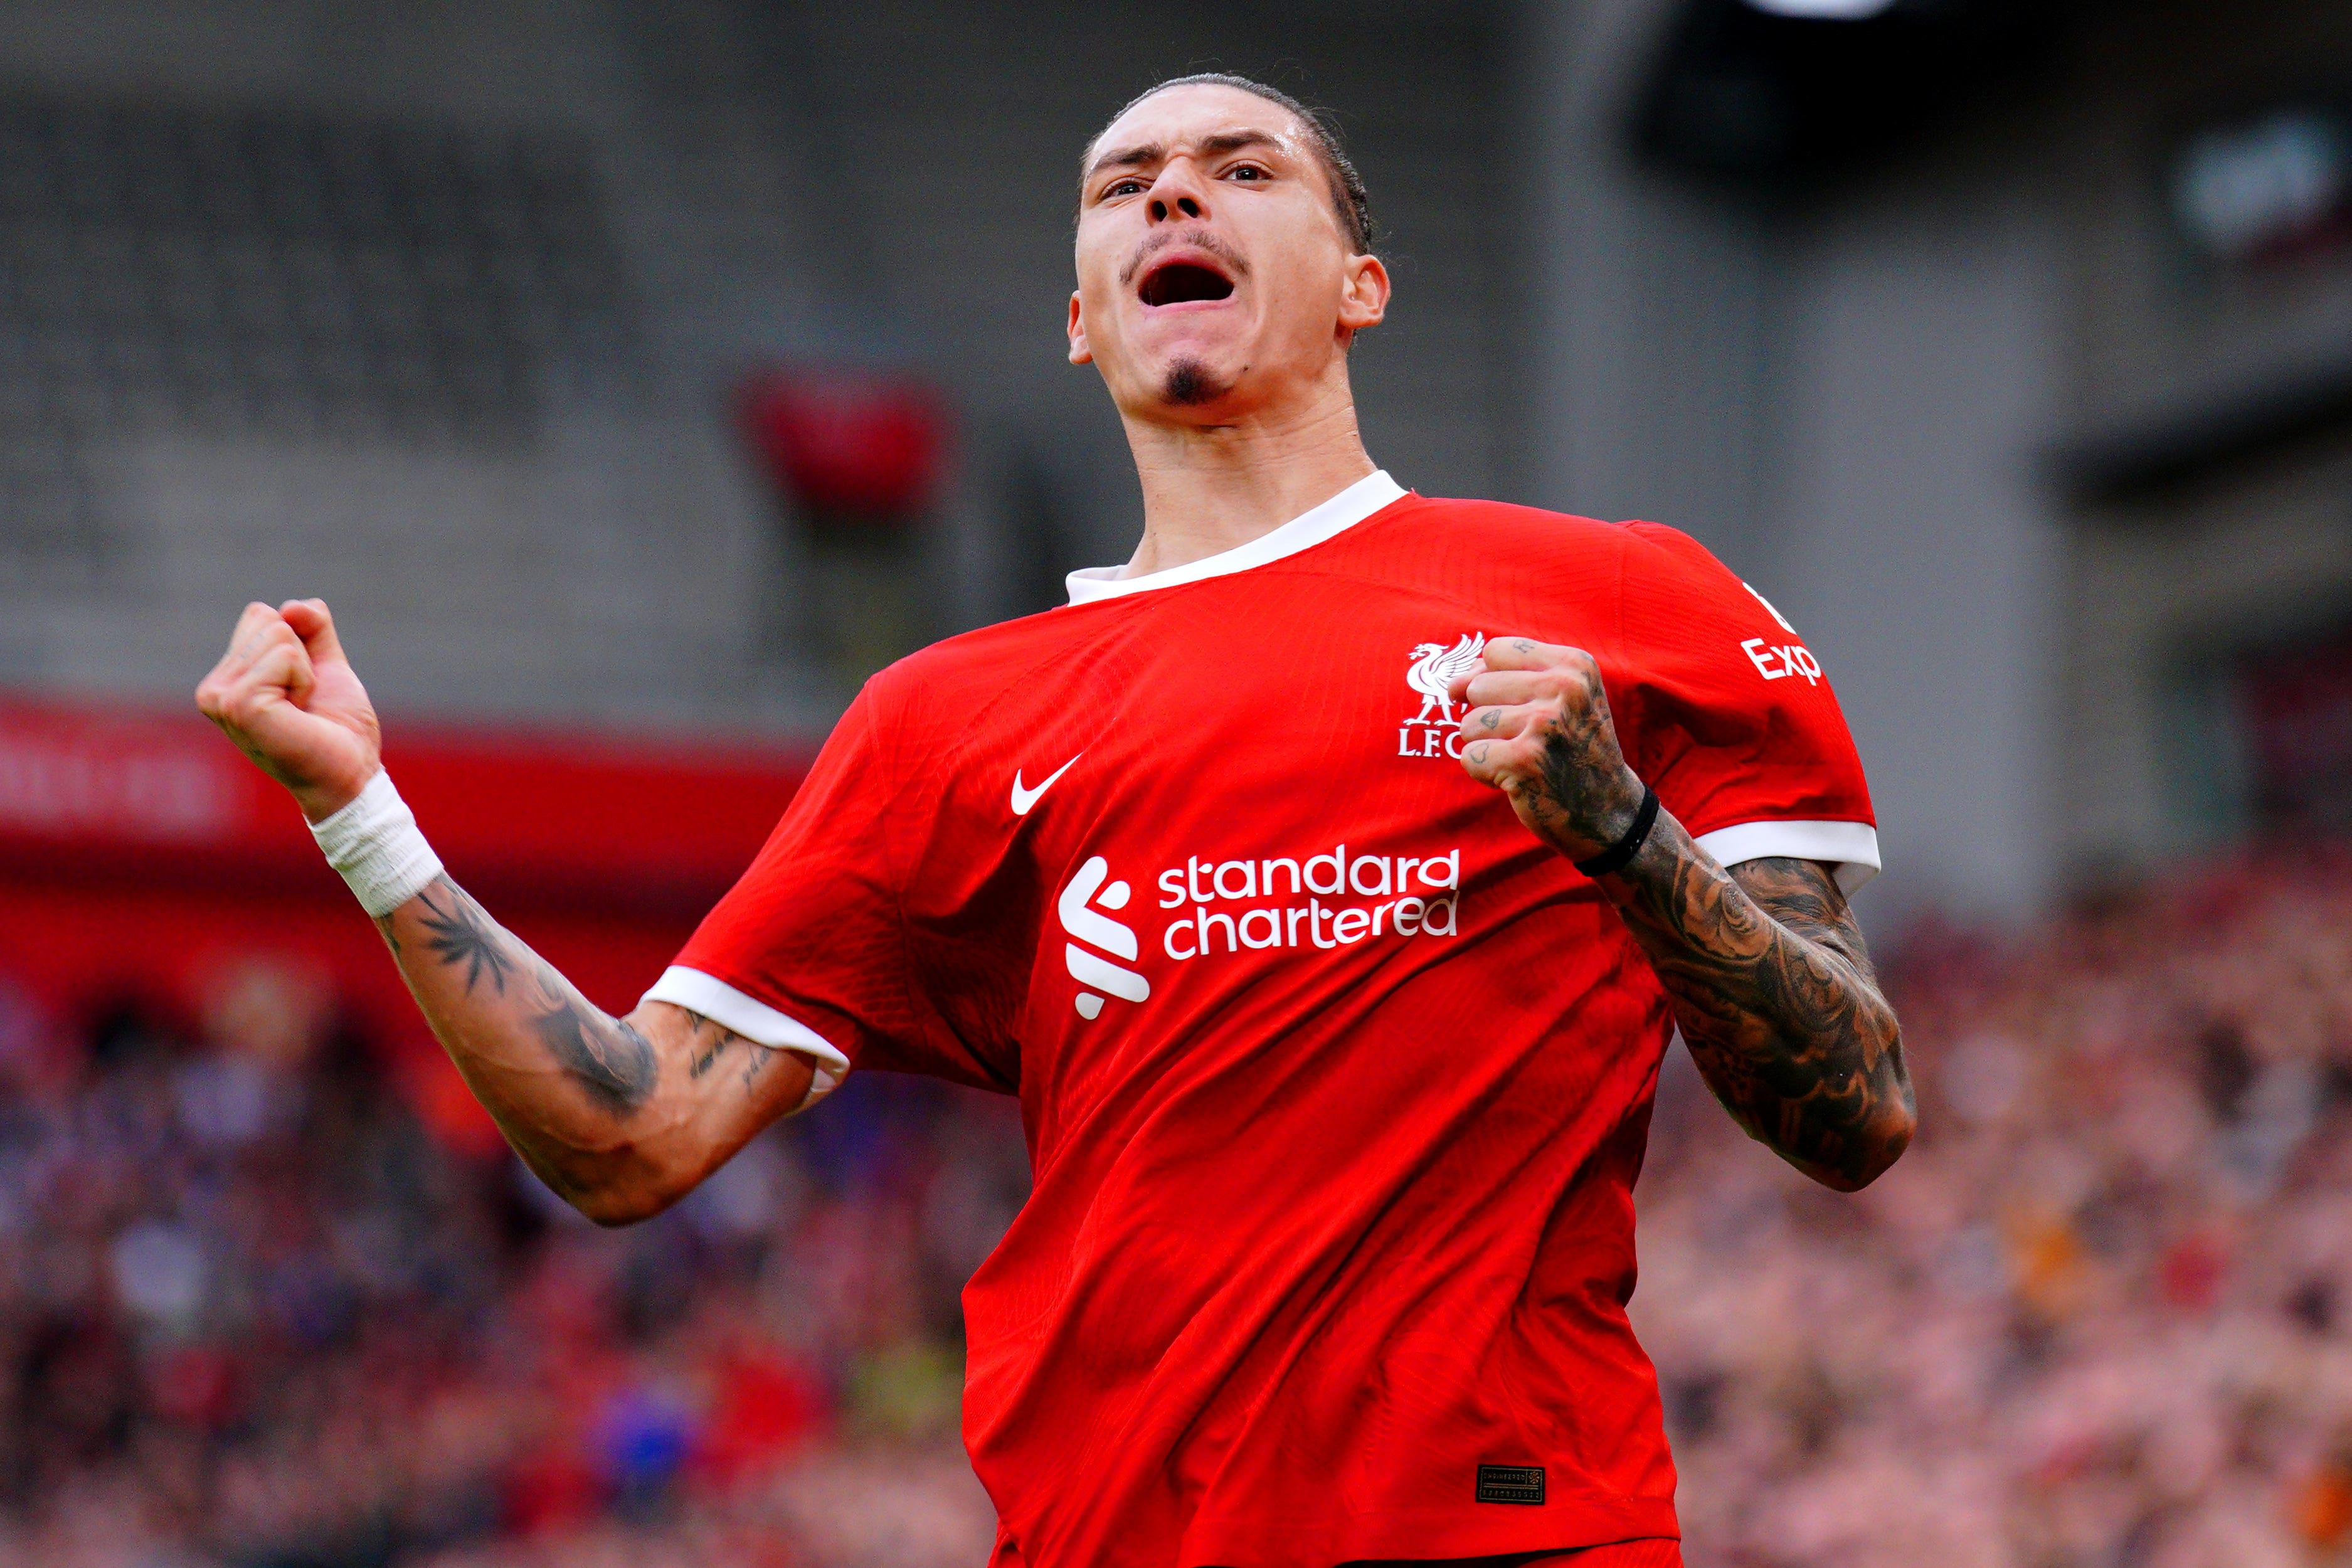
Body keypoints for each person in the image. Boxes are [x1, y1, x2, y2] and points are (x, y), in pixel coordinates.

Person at [196, 73, 1913, 1568]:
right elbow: (627, 1133)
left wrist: (1623, 838)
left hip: (1506, 1524)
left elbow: (1858, 1109)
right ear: (1083, 317)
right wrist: (363, 813)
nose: (1175, 190)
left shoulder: (1618, 601)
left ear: (1361, 286)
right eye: (1126, 183)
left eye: (1245, 169)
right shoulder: (940, 720)